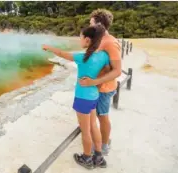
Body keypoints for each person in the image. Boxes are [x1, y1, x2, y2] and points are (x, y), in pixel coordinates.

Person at [42, 25, 108, 169]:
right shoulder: (103, 55)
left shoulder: (83, 57)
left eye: (80, 37)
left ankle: (87, 158)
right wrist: (97, 84)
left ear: (87, 40)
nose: (79, 40)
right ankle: (99, 156)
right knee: (93, 126)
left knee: (85, 131)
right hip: (94, 95)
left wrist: (48, 47)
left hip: (83, 97)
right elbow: (107, 71)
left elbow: (60, 53)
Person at [79, 9, 122, 155]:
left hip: (104, 88)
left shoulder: (110, 42)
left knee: (102, 116)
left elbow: (117, 70)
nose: (89, 25)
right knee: (94, 116)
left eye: (91, 23)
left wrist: (94, 81)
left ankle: (104, 145)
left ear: (99, 24)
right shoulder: (99, 39)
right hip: (96, 87)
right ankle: (98, 142)